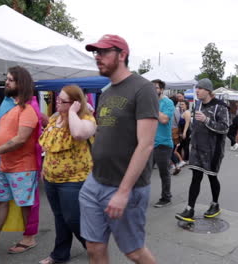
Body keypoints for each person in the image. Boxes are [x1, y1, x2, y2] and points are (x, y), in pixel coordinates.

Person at [80, 34, 158, 263]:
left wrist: (123, 192)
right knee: (94, 247)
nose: (98, 57)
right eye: (96, 53)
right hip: (95, 182)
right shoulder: (105, 93)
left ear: (122, 55)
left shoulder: (142, 88)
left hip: (127, 188)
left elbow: (146, 145)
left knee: (134, 252)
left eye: (104, 52)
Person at [0, 66, 40, 253]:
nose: (7, 83)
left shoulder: (28, 109)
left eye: (11, 80)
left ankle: (29, 238)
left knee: (25, 203)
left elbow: (21, 139)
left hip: (23, 167)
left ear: (21, 83)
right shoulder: (8, 104)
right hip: (6, 165)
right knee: (1, 202)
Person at [38, 85, 96, 264]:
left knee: (73, 218)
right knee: (60, 217)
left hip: (74, 180)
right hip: (51, 178)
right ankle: (60, 254)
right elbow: (50, 148)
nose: (57, 103)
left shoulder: (86, 119)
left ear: (76, 103)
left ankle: (94, 247)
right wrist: (44, 169)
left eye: (62, 101)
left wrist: (72, 112)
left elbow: (78, 133)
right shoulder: (55, 118)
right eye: (57, 99)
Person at [175, 78, 229, 222]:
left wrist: (206, 120)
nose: (197, 91)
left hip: (213, 150)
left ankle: (215, 204)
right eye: (196, 88)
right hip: (197, 148)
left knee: (212, 176)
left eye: (200, 88)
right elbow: (195, 125)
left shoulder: (221, 106)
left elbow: (225, 128)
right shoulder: (197, 104)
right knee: (196, 177)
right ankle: (189, 209)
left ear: (208, 91)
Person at [151, 79, 175, 208]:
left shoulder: (168, 102)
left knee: (163, 172)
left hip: (163, 144)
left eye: (156, 88)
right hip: (149, 143)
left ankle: (166, 197)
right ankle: (139, 197)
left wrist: (153, 105)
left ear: (161, 89)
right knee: (143, 172)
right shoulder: (149, 102)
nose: (153, 90)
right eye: (152, 88)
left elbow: (164, 119)